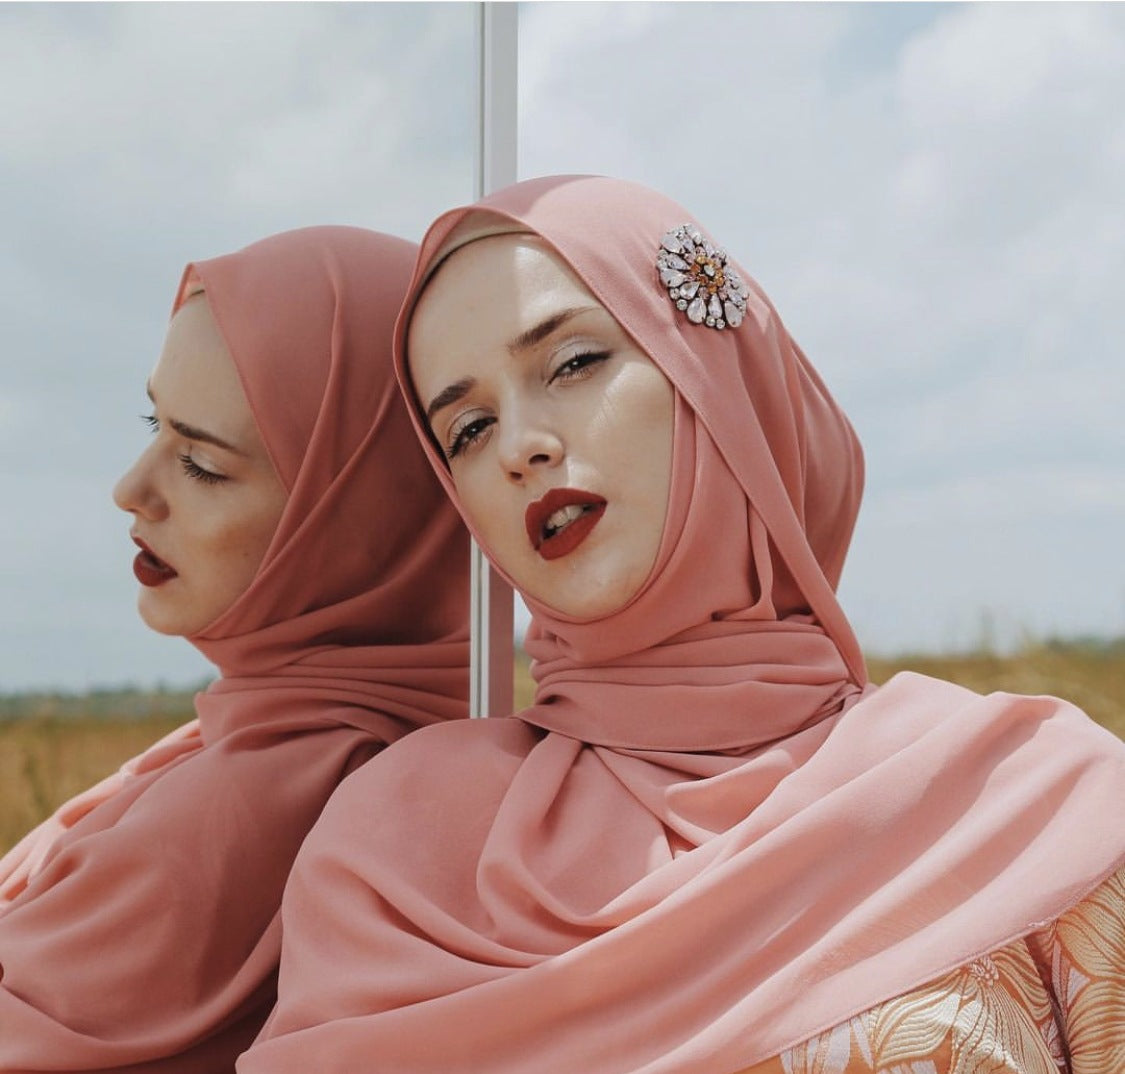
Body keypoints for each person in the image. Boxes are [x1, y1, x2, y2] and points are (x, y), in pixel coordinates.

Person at [239, 178, 1125, 1073]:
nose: (519, 447)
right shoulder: (396, 859)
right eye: (467, 428)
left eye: (572, 364)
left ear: (717, 379)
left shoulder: (1033, 798)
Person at [0, 226, 470, 1070]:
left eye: (202, 465)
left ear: (359, 515)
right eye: (153, 423)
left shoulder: (260, 797)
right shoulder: (361, 745)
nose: (131, 490)